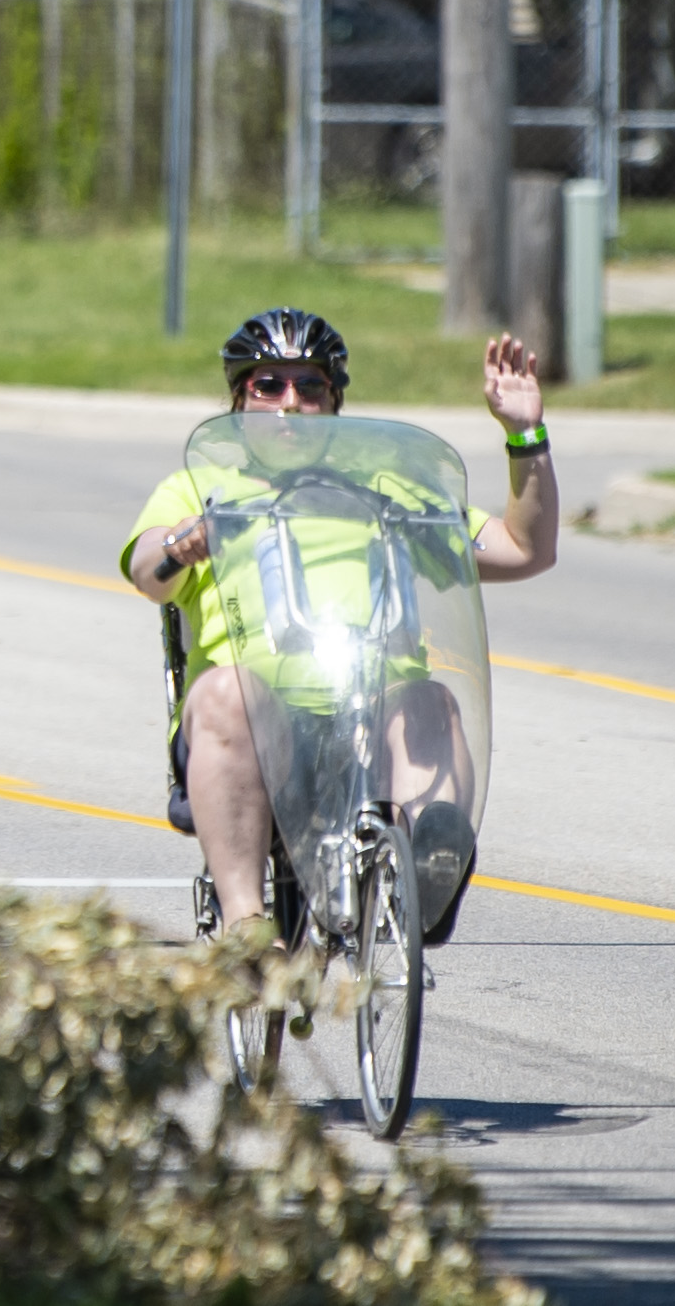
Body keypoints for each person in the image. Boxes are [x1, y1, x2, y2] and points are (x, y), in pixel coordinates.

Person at [120, 308, 555, 944]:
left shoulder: (391, 489)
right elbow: (146, 569)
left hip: (373, 716)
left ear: (335, 399)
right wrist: (182, 545)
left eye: (311, 386)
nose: (290, 404)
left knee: (430, 701)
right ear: (240, 398)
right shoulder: (204, 487)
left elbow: (524, 551)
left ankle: (426, 871)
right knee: (221, 692)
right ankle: (246, 926)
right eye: (269, 386)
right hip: (257, 725)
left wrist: (526, 437)